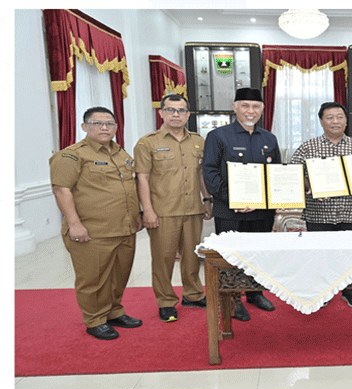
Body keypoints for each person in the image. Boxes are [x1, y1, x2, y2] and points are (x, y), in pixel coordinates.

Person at [49, 107, 143, 340]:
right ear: (84, 127)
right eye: (97, 123)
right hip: (93, 231)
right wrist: (74, 224)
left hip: (124, 228)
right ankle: (95, 319)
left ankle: (114, 312)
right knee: (93, 279)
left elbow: (129, 187)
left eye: (109, 123)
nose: (104, 128)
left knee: (119, 276)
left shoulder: (120, 153)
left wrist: (137, 215)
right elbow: (61, 190)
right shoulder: (72, 155)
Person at [202, 87, 280, 321]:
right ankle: (233, 299)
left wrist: (278, 197)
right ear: (234, 107)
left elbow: (275, 174)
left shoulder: (269, 138)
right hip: (230, 211)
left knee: (258, 255)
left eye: (256, 106)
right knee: (232, 257)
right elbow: (210, 172)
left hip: (262, 211)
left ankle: (255, 293)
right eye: (245, 105)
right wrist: (233, 199)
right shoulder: (218, 136)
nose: (250, 111)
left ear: (262, 109)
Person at [133, 94, 212, 323]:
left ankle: (193, 294)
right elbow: (142, 178)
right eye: (170, 109)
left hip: (193, 209)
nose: (176, 114)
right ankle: (166, 301)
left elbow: (201, 173)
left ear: (188, 114)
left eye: (181, 110)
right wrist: (147, 210)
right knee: (164, 259)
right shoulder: (147, 143)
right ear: (161, 113)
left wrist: (207, 199)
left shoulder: (198, 141)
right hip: (163, 212)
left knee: (192, 257)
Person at [290, 101, 352, 308]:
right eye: (330, 117)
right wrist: (310, 186)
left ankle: (350, 291)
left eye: (339, 117)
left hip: (351, 211)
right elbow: (293, 172)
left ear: (346, 121)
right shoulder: (308, 147)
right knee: (320, 254)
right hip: (319, 212)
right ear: (321, 121)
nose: (335, 121)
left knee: (351, 253)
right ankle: (323, 291)